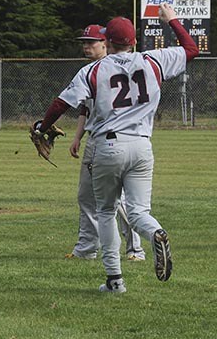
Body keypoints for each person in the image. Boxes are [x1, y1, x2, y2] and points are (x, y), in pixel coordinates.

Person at [33, 3, 199, 292]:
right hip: (142, 146)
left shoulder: (93, 70)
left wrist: (43, 127)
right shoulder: (153, 61)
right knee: (138, 211)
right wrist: (171, 19)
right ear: (134, 41)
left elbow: (61, 104)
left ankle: (115, 280)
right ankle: (155, 231)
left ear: (107, 42)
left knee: (106, 211)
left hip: (108, 146)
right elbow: (190, 48)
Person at [65, 25, 146, 262]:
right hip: (95, 137)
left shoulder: (114, 70)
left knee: (114, 200)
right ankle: (87, 248)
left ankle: (134, 248)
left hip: (114, 139)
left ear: (106, 43)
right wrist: (78, 136)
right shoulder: (91, 71)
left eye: (92, 42)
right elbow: (84, 108)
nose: (86, 46)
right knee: (86, 196)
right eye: (84, 42)